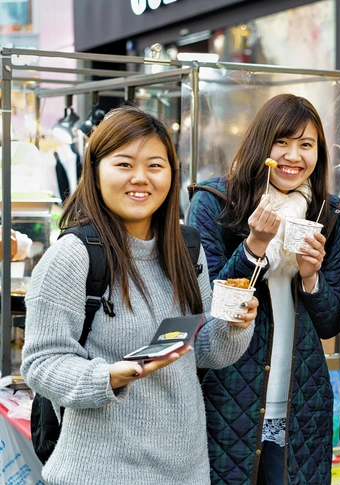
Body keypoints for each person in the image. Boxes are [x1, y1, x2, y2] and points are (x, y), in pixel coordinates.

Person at [21, 105, 257, 485]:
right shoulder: (74, 255)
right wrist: (108, 377)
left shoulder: (186, 247)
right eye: (124, 164)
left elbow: (207, 350)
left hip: (185, 472)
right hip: (99, 473)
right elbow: (40, 363)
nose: (141, 178)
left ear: (171, 174)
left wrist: (234, 324)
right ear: (96, 170)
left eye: (155, 165)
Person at [187, 94, 340, 485]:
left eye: (306, 145)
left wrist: (311, 276)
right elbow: (208, 306)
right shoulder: (214, 203)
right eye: (283, 142)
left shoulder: (327, 213)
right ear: (263, 144)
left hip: (301, 405)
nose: (294, 155)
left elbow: (330, 324)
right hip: (228, 397)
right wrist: (253, 246)